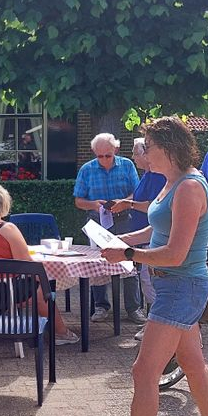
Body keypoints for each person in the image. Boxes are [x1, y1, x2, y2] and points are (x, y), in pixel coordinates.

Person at [80, 117, 208, 416]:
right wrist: (119, 240)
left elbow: (176, 254)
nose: (144, 155)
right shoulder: (172, 184)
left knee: (144, 372)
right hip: (176, 288)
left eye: (150, 147)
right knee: (194, 365)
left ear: (170, 148)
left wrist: (127, 253)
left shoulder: (191, 187)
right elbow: (156, 229)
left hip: (181, 288)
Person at [0, 185, 79, 346]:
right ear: (4, 204)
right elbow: (27, 266)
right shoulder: (6, 228)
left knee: (31, 286)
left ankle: (34, 328)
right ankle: (60, 332)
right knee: (40, 288)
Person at [73, 133, 145, 324]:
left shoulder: (127, 165)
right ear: (94, 153)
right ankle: (101, 306)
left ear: (116, 150)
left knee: (129, 260)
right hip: (97, 222)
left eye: (108, 155)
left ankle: (134, 308)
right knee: (98, 264)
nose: (104, 159)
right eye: (100, 156)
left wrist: (124, 202)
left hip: (123, 220)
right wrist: (93, 204)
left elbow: (136, 192)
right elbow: (79, 201)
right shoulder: (86, 170)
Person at [107, 137, 166, 340]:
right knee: (147, 282)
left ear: (147, 155)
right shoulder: (147, 175)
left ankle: (157, 327)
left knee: (150, 283)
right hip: (143, 234)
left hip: (153, 237)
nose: (132, 156)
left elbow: (152, 206)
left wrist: (128, 205)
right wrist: (126, 202)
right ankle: (154, 325)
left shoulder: (157, 176)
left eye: (135, 152)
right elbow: (139, 198)